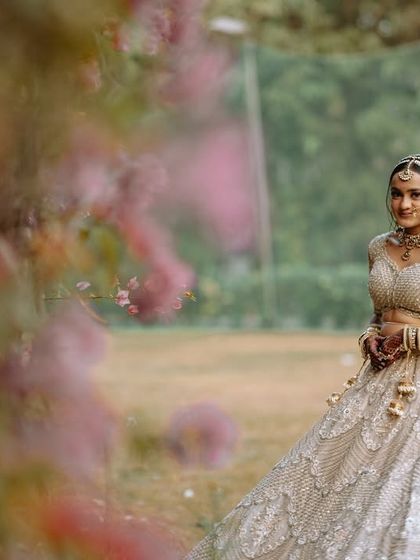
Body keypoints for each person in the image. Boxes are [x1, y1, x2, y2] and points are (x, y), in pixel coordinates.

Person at [185, 154, 420, 560]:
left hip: (413, 387)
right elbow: (379, 313)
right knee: (333, 477)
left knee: (399, 486)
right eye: (397, 194)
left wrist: (410, 339)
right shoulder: (379, 247)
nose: (404, 205)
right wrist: (369, 337)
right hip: (377, 378)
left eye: (416, 195)